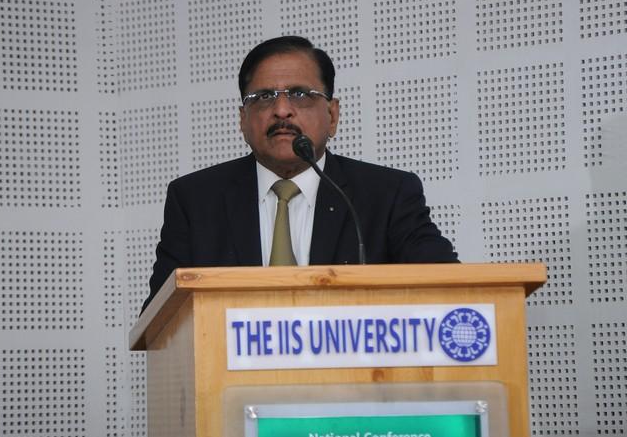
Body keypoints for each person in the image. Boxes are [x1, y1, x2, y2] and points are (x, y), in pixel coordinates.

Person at [141, 36, 458, 312]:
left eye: (300, 94)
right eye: (264, 97)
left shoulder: (386, 195)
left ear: (332, 115)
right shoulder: (195, 201)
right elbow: (161, 319)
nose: (281, 110)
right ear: (242, 119)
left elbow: (448, 286)